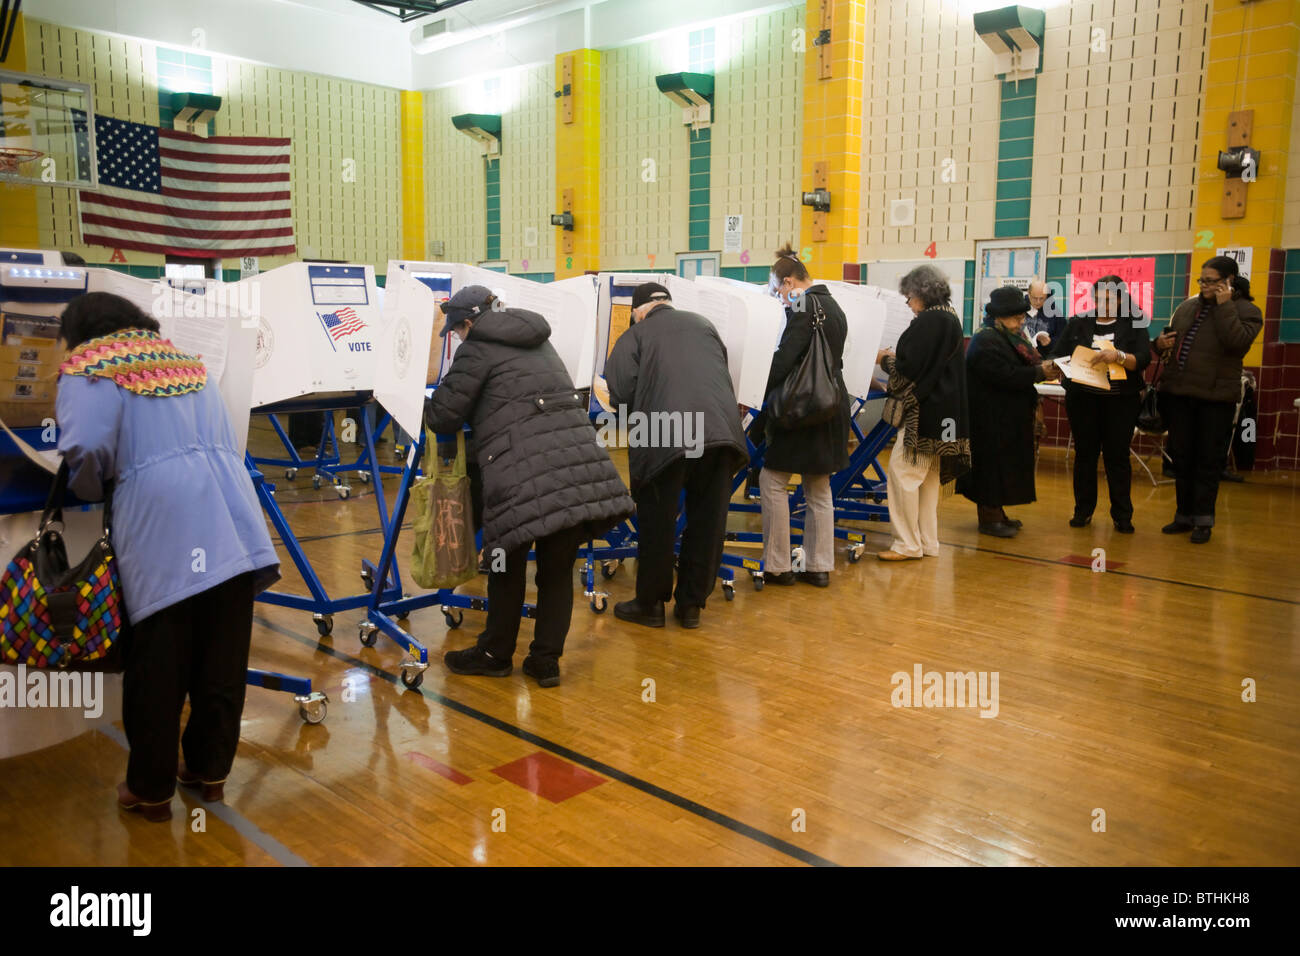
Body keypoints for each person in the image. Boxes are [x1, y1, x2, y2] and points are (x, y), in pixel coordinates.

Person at [55, 292, 280, 823]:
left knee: (158, 664)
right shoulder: (186, 361)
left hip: (166, 531)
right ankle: (209, 772)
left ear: (79, 333)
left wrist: (90, 489)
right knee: (220, 659)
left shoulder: (91, 367)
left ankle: (149, 790)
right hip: (232, 522)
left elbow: (84, 449)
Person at [425, 286, 633, 685]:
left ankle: (494, 653)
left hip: (520, 474)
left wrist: (418, 404)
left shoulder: (477, 347)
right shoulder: (538, 340)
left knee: (505, 565)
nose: (459, 337)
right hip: (576, 469)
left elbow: (444, 415)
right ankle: (545, 662)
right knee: (556, 572)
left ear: (468, 322)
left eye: (459, 330)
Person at [605, 282, 748, 628]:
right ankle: (691, 607)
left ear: (637, 312)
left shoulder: (634, 336)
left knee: (658, 521)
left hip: (666, 434)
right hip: (720, 433)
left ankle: (650, 605)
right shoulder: (704, 325)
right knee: (707, 521)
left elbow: (621, 396)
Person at [757, 244, 850, 587]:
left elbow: (786, 358)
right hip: (830, 404)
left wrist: (756, 387)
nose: (780, 297)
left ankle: (778, 565)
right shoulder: (835, 305)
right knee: (819, 487)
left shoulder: (801, 302)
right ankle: (819, 566)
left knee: (772, 481)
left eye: (778, 289)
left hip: (801, 408)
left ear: (789, 281)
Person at [1153, 256, 1262, 543]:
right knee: (1182, 458)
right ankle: (1183, 516)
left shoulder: (1247, 311)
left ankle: (1203, 521)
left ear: (1229, 281)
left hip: (1215, 398)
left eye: (1211, 281)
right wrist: (1159, 344)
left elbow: (1237, 343)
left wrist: (1225, 306)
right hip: (1180, 394)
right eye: (1202, 280)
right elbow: (1169, 341)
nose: (1205, 286)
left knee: (1208, 461)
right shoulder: (1188, 307)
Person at [876, 265, 971, 561]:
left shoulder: (930, 320)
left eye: (908, 297)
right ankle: (928, 543)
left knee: (903, 473)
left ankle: (907, 543)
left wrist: (885, 361)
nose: (908, 304)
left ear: (920, 293)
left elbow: (910, 369)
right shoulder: (950, 316)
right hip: (947, 412)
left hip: (925, 412)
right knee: (928, 477)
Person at [1050, 275, 1152, 533]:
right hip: (1083, 398)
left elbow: (1142, 359)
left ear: (1121, 299)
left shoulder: (1134, 324)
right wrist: (1060, 364)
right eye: (1098, 297)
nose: (1102, 303)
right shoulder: (1078, 323)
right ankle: (1082, 511)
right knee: (1085, 454)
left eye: (1108, 298)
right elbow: (1058, 353)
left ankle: (1122, 515)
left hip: (1120, 400)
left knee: (1117, 456)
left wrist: (1117, 356)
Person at [957, 287, 1060, 536]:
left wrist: (1042, 366)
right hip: (989, 418)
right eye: (1016, 317)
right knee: (991, 468)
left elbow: (1021, 365)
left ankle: (999, 514)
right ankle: (989, 519)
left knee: (1005, 468)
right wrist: (1039, 373)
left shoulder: (1008, 336)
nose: (1021, 322)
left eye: (1022, 316)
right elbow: (1004, 375)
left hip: (1007, 415)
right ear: (999, 317)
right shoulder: (985, 340)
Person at [1023, 278, 1066, 356]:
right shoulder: (1020, 309)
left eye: (1042, 298)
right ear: (1028, 294)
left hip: (1046, 357)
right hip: (1022, 358)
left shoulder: (1056, 313)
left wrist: (1049, 342)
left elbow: (1063, 343)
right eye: (1035, 298)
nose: (1038, 302)